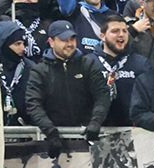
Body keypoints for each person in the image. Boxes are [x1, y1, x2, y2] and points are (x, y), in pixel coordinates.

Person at [22, 20, 111, 148]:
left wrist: (95, 122)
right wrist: (50, 131)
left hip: (87, 137)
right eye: (64, 40)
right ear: (51, 42)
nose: (69, 44)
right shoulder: (39, 70)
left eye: (72, 39)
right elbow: (33, 104)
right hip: (54, 140)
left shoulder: (88, 64)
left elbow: (102, 95)